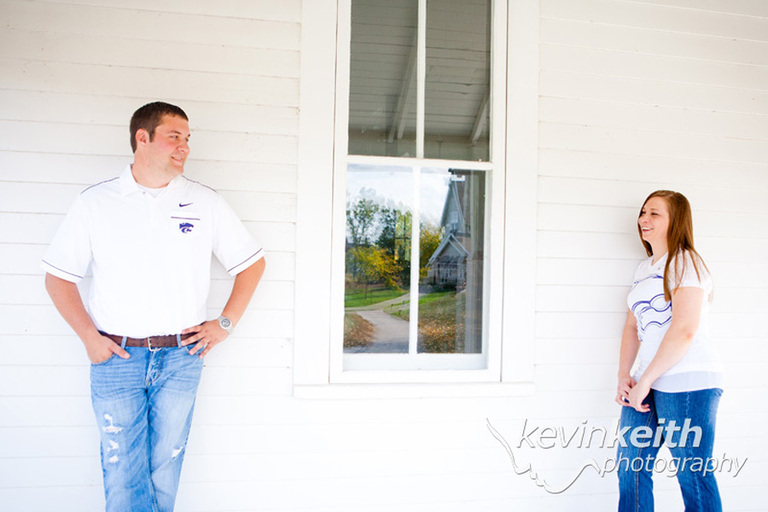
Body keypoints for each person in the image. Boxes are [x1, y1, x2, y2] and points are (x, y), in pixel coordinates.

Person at [42, 101, 266, 511]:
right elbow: (58, 278)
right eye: (173, 137)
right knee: (122, 473)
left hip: (182, 356)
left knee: (165, 469)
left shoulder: (204, 202)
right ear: (141, 138)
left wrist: (225, 323)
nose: (183, 148)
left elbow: (251, 265)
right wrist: (90, 339)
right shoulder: (96, 203)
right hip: (116, 356)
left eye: (187, 139)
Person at [615, 190, 723, 511]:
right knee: (630, 469)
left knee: (692, 474)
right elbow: (632, 327)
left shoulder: (686, 261)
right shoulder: (644, 269)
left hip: (687, 381)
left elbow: (684, 329)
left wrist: (646, 379)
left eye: (654, 213)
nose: (643, 220)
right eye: (643, 212)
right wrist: (626, 376)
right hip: (645, 383)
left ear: (675, 220)